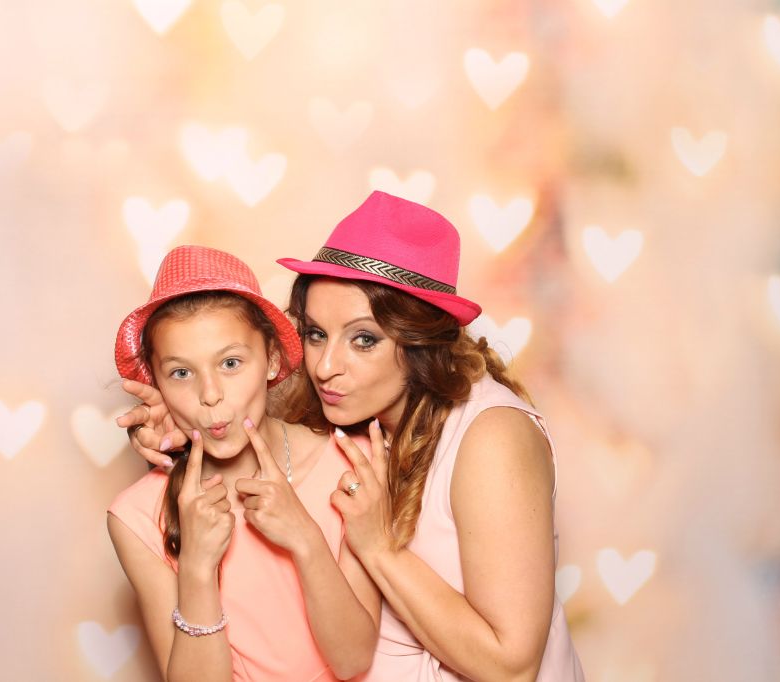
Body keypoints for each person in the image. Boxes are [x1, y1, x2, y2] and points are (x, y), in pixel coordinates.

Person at [120, 192, 585, 680]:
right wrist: (184, 420)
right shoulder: (351, 416)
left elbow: (512, 667)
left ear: (420, 341)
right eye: (316, 334)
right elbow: (247, 404)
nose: (325, 367)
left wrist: (379, 548)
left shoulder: (492, 438)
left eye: (364, 339)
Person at [107, 245, 380, 682]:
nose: (209, 394)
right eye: (181, 373)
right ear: (156, 382)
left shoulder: (350, 464)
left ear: (271, 359)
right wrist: (197, 568)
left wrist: (306, 539)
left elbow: (353, 660)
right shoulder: (137, 516)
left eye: (230, 363)